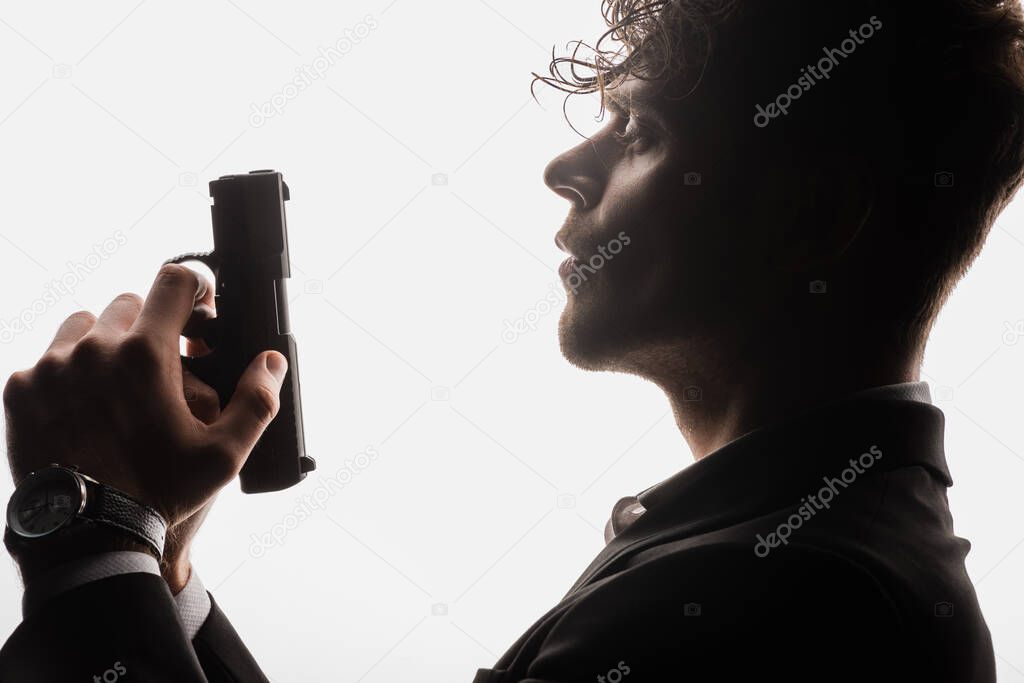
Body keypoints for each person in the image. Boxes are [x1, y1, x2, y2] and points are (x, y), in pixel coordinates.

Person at [3, 1, 1023, 680]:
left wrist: (86, 543)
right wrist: (159, 568)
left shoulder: (787, 593)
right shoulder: (792, 551)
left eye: (642, 131)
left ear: (815, 216)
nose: (561, 169)